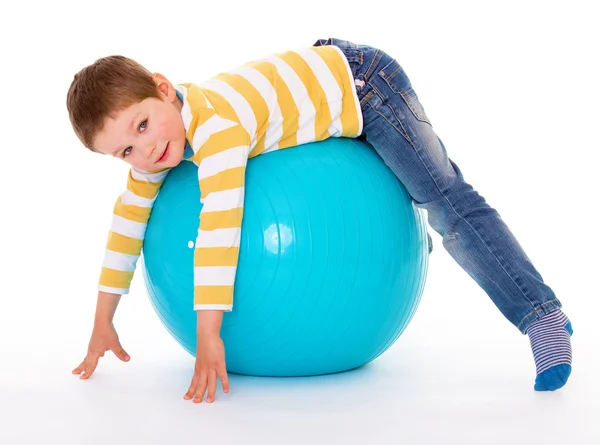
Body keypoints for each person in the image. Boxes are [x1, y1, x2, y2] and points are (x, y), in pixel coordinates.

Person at [66, 37, 573, 403]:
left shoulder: (218, 128)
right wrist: (101, 322)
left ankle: (541, 314)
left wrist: (208, 333)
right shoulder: (161, 147)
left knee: (445, 203)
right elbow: (127, 224)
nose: (148, 152)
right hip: (322, 76)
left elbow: (220, 225)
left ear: (164, 89)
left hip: (364, 85)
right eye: (125, 151)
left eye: (143, 125)